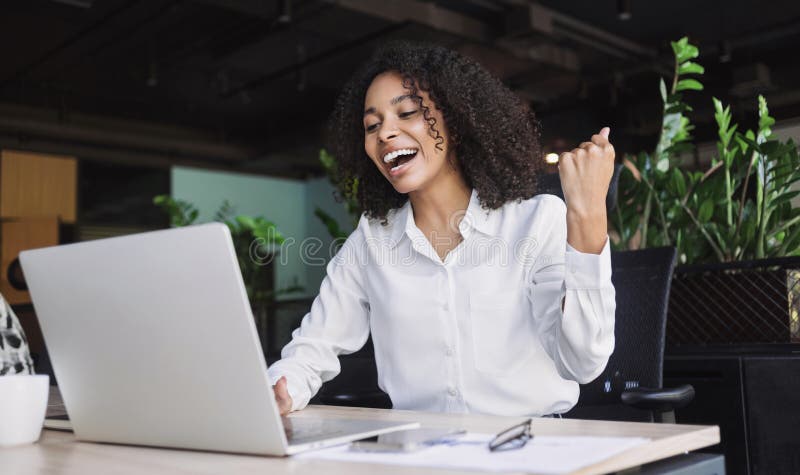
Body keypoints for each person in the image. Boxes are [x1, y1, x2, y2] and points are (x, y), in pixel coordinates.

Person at [268, 41, 616, 417]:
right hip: (424, 453)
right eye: (372, 125)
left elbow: (583, 363)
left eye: (407, 112)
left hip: (532, 449)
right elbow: (313, 346)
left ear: (455, 120)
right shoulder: (372, 241)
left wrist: (587, 216)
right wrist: (280, 390)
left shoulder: (535, 221)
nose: (385, 133)